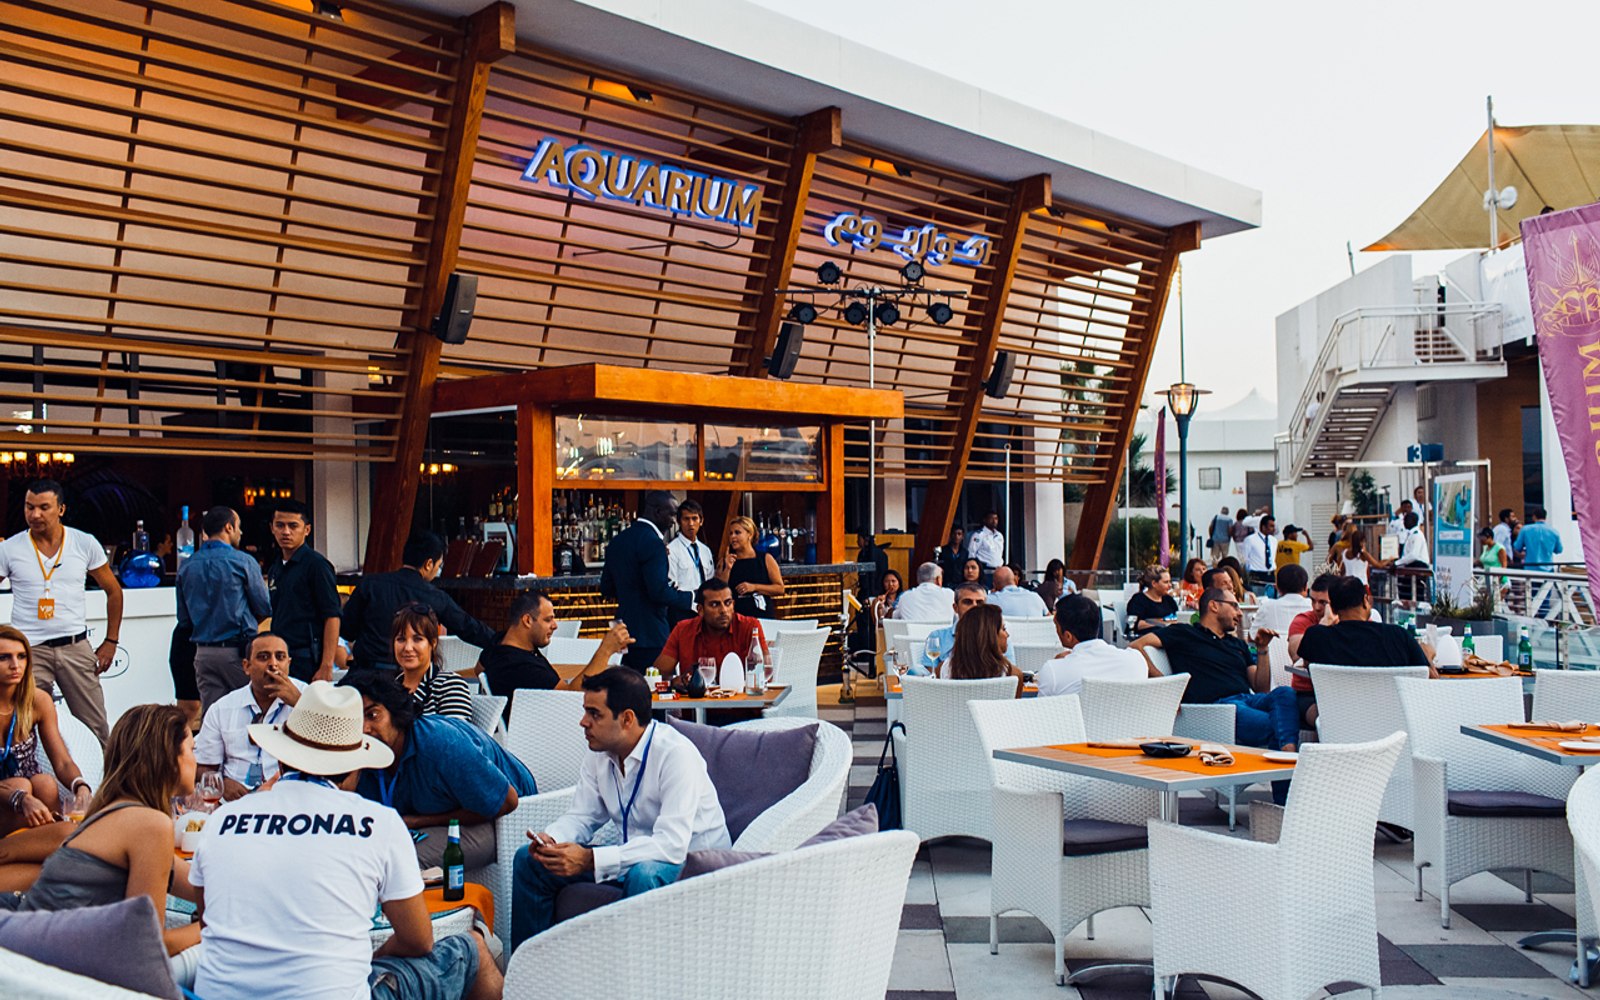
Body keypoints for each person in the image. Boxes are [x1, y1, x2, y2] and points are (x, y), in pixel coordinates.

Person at [192, 680, 502, 1000]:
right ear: (355, 767)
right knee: (473, 949)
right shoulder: (379, 823)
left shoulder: (220, 820)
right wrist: (375, 956)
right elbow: (419, 941)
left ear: (281, 760)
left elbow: (208, 921)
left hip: (216, 995)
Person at [510, 668, 729, 947]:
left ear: (627, 719)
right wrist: (553, 839)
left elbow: (671, 845)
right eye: (585, 711)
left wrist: (590, 859)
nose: (583, 722)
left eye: (594, 714)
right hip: (633, 856)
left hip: (693, 864)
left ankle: (633, 971)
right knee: (530, 861)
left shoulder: (675, 755)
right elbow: (583, 815)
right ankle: (529, 969)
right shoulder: (599, 752)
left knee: (644, 874)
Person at [0, 704, 201, 973]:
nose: (196, 760)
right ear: (170, 758)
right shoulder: (149, 824)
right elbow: (144, 945)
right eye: (192, 750)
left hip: (25, 952)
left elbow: (199, 885)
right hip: (40, 971)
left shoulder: (112, 814)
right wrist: (208, 928)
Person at [344, 669, 535, 871]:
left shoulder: (440, 744)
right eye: (354, 719)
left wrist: (420, 821)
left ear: (395, 712)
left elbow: (506, 802)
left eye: (372, 715)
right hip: (432, 816)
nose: (363, 729)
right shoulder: (362, 751)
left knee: (396, 861)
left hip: (503, 820)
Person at [0, 479, 122, 744]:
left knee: (95, 727)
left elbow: (114, 591)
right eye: (29, 507)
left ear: (61, 509)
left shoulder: (83, 543)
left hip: (74, 645)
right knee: (24, 726)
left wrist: (111, 641)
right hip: (30, 650)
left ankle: (104, 771)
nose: (35, 514)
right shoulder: (9, 548)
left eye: (44, 507)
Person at [1130, 588, 1299, 756]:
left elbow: (1261, 688)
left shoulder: (1237, 644)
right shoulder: (1185, 633)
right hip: (1219, 707)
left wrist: (1262, 649)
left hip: (1248, 699)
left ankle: (1287, 752)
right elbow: (1136, 646)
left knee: (1285, 693)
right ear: (1214, 606)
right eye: (1234, 606)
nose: (1240, 613)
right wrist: (1165, 684)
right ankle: (1289, 757)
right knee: (1279, 725)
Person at [342, 531, 497, 670]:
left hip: (362, 677)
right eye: (439, 565)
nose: (438, 571)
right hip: (408, 681)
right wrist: (502, 642)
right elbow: (469, 628)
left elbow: (347, 630)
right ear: (429, 564)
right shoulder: (435, 597)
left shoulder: (369, 585)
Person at [1296, 576, 1434, 727]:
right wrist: (1428, 655)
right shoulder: (1398, 636)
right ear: (1365, 600)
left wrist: (1325, 622)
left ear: (1332, 608)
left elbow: (1310, 670)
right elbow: (1430, 679)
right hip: (1394, 727)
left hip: (1339, 725)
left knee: (1297, 700)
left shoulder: (1316, 637)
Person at [176, 506, 272, 714]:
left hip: (203, 652)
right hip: (238, 650)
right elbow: (264, 607)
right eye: (238, 527)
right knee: (252, 711)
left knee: (213, 716)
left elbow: (184, 620)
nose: (241, 532)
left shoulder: (187, 565)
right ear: (229, 527)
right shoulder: (243, 561)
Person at [0, 625, 88, 841]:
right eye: (4, 658)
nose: (15, 665)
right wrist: (20, 798)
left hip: (33, 793)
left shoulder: (37, 701)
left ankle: (47, 844)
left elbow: (62, 762)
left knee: (45, 783)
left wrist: (81, 785)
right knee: (21, 785)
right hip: (9, 795)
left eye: (21, 656)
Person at [195, 632, 305, 801]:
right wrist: (223, 784)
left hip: (291, 798)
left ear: (289, 663)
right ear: (246, 667)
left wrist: (299, 703)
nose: (273, 664)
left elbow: (329, 750)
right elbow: (204, 768)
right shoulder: (222, 709)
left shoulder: (308, 697)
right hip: (235, 802)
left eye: (280, 657)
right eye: (263, 657)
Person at [478, 591, 630, 712]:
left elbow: (479, 670)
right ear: (527, 620)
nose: (555, 625)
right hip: (548, 732)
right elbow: (572, 696)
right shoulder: (521, 666)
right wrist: (605, 651)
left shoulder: (497, 645)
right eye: (548, 620)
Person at [601, 491, 692, 671]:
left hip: (622, 632)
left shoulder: (617, 541)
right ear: (657, 512)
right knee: (657, 684)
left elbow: (607, 588)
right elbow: (658, 592)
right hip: (651, 634)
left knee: (627, 685)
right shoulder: (654, 543)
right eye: (671, 514)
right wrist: (690, 598)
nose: (674, 521)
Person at [264, 498, 342, 684]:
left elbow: (332, 616)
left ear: (306, 530)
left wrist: (326, 665)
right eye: (280, 525)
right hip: (280, 655)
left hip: (307, 657)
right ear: (272, 528)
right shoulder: (276, 567)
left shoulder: (317, 566)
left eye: (293, 526)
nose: (286, 532)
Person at [655, 578, 770, 678]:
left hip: (741, 695)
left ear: (733, 605)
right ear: (700, 610)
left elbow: (764, 672)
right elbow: (659, 674)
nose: (723, 610)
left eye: (728, 603)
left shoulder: (750, 626)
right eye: (715, 605)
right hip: (695, 696)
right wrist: (675, 682)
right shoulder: (683, 629)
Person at [1036, 594, 1146, 697]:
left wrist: (1057, 664)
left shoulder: (1054, 671)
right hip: (1125, 711)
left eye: (1056, 626)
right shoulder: (1136, 660)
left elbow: (1043, 708)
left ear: (1068, 636)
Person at [390, 604, 474, 722]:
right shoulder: (388, 688)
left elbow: (456, 732)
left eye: (417, 639)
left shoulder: (449, 685)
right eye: (401, 639)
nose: (408, 648)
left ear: (433, 643)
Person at [920, 582, 1006, 674]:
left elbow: (1009, 673)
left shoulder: (999, 635)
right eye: (967, 602)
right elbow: (930, 674)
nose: (974, 607)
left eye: (979, 602)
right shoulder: (938, 637)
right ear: (955, 608)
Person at [939, 604, 1023, 691]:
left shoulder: (945, 669)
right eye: (1004, 629)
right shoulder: (1013, 675)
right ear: (991, 636)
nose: (1007, 635)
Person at [721, 515, 784, 620]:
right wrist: (727, 568)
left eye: (737, 533)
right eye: (730, 533)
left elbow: (780, 588)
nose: (733, 537)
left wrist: (754, 587)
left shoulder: (765, 559)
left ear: (749, 535)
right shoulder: (727, 560)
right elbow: (719, 589)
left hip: (762, 615)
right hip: (737, 616)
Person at [666, 500, 715, 622]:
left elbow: (710, 580)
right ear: (679, 522)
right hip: (684, 611)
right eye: (686, 519)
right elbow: (671, 585)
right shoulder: (672, 550)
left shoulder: (705, 550)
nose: (691, 524)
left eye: (694, 518)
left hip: (706, 610)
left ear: (701, 521)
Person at [1253, 564, 1311, 637]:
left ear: (1277, 587)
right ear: (1306, 587)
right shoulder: (1314, 607)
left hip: (1275, 644)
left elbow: (1252, 636)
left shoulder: (1267, 606)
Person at [1125, 565, 1178, 637]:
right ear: (1154, 584)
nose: (1170, 585)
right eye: (1166, 582)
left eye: (1170, 582)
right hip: (1149, 638)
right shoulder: (1139, 600)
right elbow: (1136, 624)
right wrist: (1162, 625)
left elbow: (1177, 617)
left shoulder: (1169, 600)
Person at [1392, 511, 1431, 601]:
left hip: (1418, 566)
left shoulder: (1417, 535)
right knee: (1406, 593)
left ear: (1412, 521)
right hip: (1411, 566)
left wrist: (1397, 563)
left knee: (1417, 594)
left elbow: (1413, 555)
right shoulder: (1411, 534)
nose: (1404, 522)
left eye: (1406, 520)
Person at [1239, 514, 1276, 586]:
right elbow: (1245, 558)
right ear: (1264, 527)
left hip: (1270, 574)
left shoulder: (1274, 540)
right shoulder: (1250, 540)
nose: (1274, 529)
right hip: (1257, 575)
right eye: (1271, 526)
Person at [967, 511, 1004, 581]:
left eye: (996, 518)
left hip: (998, 571)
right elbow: (971, 554)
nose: (994, 521)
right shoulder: (979, 535)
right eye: (991, 518)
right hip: (985, 571)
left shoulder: (999, 536)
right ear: (985, 520)